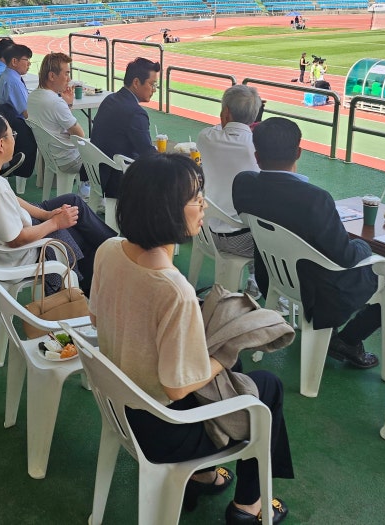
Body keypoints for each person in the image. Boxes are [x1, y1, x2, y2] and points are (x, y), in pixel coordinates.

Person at [89, 154, 293, 525]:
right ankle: (248, 506)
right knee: (269, 388)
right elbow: (178, 387)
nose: (203, 206)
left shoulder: (108, 249)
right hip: (163, 427)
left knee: (239, 370)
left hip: (120, 405)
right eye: (196, 199)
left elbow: (96, 317)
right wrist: (227, 351)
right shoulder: (173, 288)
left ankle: (202, 476)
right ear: (164, 210)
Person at [232, 117, 382, 369]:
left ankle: (336, 337)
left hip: (272, 279)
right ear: (298, 151)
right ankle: (348, 339)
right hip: (319, 294)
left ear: (257, 156)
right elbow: (344, 257)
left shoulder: (243, 183)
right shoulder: (316, 200)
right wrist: (364, 247)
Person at [0, 107, 115, 294]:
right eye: (12, 134)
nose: (15, 138)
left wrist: (46, 215)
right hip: (16, 255)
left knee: (73, 202)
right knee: (78, 239)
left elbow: (11, 200)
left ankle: (113, 246)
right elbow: (16, 240)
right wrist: (54, 223)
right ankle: (88, 285)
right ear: (0, 144)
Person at [197, 85, 262, 259]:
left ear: (225, 113)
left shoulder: (206, 137)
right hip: (240, 239)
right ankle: (255, 281)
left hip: (204, 231)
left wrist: (226, 118)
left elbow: (220, 129)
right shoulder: (257, 146)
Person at [90, 57, 159, 198]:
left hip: (98, 173)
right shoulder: (136, 113)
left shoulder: (110, 99)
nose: (154, 90)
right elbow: (148, 154)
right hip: (117, 180)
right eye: (152, 84)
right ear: (136, 82)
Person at [27, 52, 84, 174]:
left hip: (51, 158)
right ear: (52, 76)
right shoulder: (55, 102)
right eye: (66, 73)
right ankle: (87, 187)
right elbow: (79, 135)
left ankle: (85, 185)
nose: (69, 79)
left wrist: (67, 104)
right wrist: (65, 104)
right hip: (69, 160)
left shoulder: (33, 96)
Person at [0, 43, 32, 118]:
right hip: (19, 125)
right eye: (26, 60)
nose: (29, 63)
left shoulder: (3, 76)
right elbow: (27, 113)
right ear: (14, 62)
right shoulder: (14, 82)